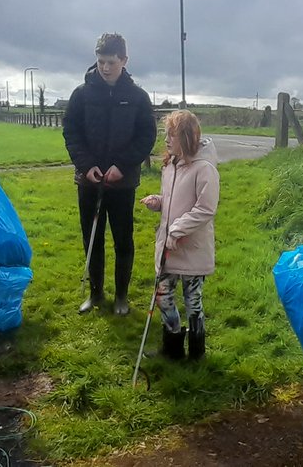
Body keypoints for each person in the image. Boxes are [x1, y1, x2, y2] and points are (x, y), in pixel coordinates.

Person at [63, 33, 157, 315]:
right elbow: (71, 132)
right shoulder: (81, 94)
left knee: (123, 239)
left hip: (122, 182)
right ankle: (95, 294)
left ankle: (122, 298)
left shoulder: (138, 97)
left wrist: (123, 166)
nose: (105, 68)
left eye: (111, 62)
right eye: (101, 61)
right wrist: (85, 165)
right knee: (92, 237)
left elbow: (146, 136)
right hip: (89, 180)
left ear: (124, 61)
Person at [140, 110, 219, 360]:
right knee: (163, 297)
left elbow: (205, 208)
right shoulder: (170, 165)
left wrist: (177, 228)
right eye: (166, 134)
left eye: (172, 135)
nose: (166, 140)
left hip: (192, 248)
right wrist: (160, 202)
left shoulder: (204, 168)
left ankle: (197, 353)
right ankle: (172, 348)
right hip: (169, 247)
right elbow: (176, 200)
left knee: (193, 302)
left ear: (186, 137)